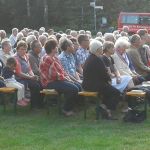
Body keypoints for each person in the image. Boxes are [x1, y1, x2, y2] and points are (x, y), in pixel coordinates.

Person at [39, 39, 81, 116]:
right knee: (73, 88)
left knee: (77, 85)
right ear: (52, 48)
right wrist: (66, 79)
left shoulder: (55, 57)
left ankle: (72, 107)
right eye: (56, 46)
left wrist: (67, 78)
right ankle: (65, 109)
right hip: (50, 83)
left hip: (57, 80)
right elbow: (54, 75)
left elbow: (62, 71)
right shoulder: (47, 58)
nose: (57, 47)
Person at [82, 39, 122, 119]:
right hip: (94, 85)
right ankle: (107, 111)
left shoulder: (91, 58)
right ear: (97, 49)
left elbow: (101, 74)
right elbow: (104, 74)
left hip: (89, 84)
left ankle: (103, 107)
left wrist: (107, 81)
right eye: (101, 47)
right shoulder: (97, 59)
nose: (102, 49)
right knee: (116, 92)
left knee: (110, 91)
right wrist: (109, 81)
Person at [14, 40, 43, 109]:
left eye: (25, 49)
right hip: (19, 79)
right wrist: (31, 77)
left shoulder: (26, 56)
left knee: (41, 83)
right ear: (17, 49)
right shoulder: (15, 58)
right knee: (36, 86)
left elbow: (29, 69)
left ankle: (40, 103)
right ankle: (34, 106)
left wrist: (33, 76)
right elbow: (19, 73)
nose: (23, 51)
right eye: (21, 49)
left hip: (27, 77)